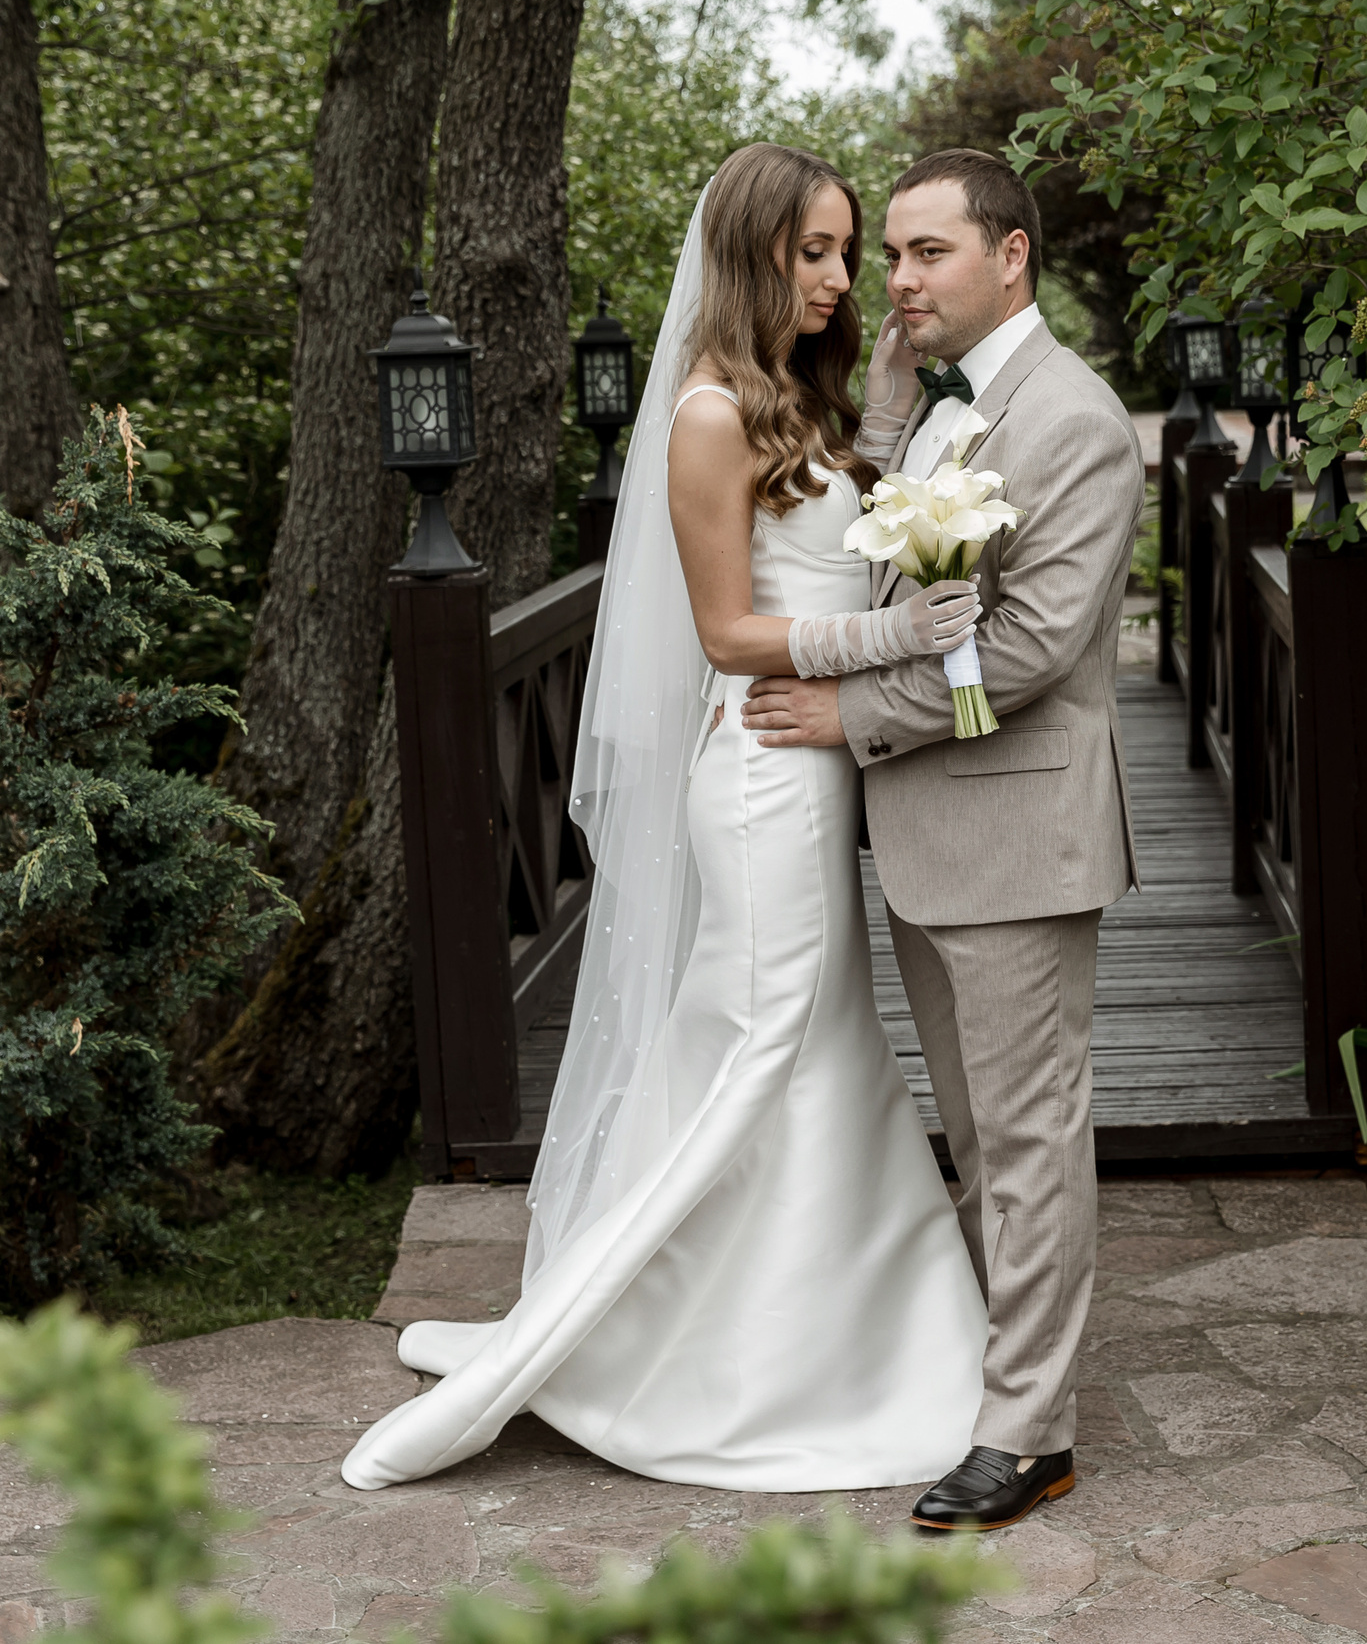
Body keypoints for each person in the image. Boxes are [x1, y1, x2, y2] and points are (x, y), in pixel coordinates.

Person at [338, 143, 991, 1493]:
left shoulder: (802, 401)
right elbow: (727, 630)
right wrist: (892, 633)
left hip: (813, 776)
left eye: (847, 251)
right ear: (751, 251)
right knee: (761, 1053)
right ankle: (579, 1357)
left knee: (816, 1052)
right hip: (756, 777)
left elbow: (826, 534)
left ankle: (827, 1342)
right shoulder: (706, 414)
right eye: (811, 251)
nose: (836, 275)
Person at [742, 148, 1147, 1530]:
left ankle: (1030, 1432)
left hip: (1017, 833)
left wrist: (845, 714)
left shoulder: (1076, 423)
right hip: (924, 835)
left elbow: (1029, 649)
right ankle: (987, 1372)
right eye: (890, 257)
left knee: (1027, 1140)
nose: (894, 283)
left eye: (927, 255)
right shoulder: (913, 398)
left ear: (1013, 255)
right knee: (978, 1137)